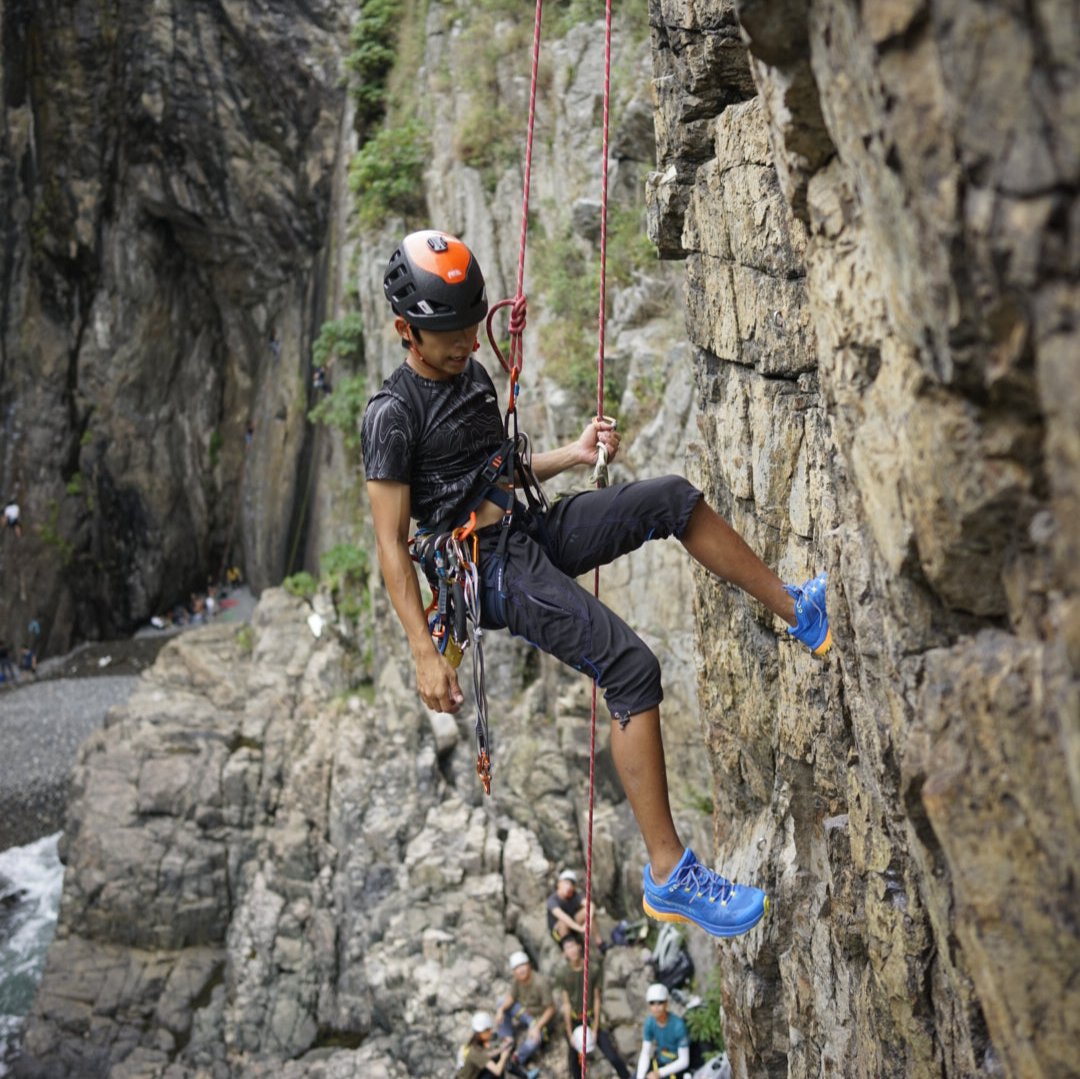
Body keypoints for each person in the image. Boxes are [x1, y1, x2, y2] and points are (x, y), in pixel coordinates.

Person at [361, 229, 831, 938]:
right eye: (448, 334)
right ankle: (670, 873)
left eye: (468, 328)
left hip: (523, 530)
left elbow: (498, 473)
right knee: (631, 667)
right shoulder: (391, 417)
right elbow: (391, 549)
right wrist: (424, 654)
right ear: (406, 329)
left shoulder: (472, 376)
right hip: (487, 573)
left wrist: (572, 456)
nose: (465, 344)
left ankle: (798, 610)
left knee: (670, 498)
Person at [554, 934, 630, 1079]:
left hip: (591, 1017)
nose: (572, 951)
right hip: (575, 1019)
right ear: (564, 953)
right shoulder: (563, 974)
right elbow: (566, 1004)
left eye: (573, 946)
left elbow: (596, 999)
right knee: (574, 1062)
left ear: (579, 947)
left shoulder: (592, 969)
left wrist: (595, 1029)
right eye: (567, 948)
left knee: (612, 1055)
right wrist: (570, 1034)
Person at [493, 950, 553, 1076]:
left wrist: (537, 1027)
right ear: (514, 971)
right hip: (525, 1012)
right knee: (501, 1003)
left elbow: (551, 1009)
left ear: (529, 965)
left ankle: (517, 1058)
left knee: (534, 1040)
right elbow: (511, 997)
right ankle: (507, 1038)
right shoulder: (517, 981)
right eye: (517, 968)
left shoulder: (540, 983)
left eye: (523, 965)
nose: (521, 970)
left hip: (538, 1017)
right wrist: (501, 1010)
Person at [635, 983, 690, 1079]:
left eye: (660, 1002)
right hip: (660, 1061)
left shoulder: (678, 1025)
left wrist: (659, 1073)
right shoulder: (649, 1023)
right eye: (652, 1003)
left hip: (675, 1065)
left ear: (666, 1003)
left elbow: (684, 1061)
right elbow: (645, 1053)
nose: (656, 1007)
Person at [546, 869, 599, 946]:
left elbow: (591, 905)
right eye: (566, 883)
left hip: (573, 924)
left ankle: (600, 943)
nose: (569, 887)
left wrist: (588, 923)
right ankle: (568, 946)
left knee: (587, 912)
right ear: (559, 884)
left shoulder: (575, 895)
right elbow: (563, 917)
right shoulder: (552, 900)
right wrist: (580, 929)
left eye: (572, 884)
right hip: (558, 932)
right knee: (562, 923)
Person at [458, 1012, 516, 1078]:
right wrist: (504, 1056)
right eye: (488, 1030)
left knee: (495, 1059)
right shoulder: (476, 1052)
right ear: (481, 1033)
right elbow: (497, 1071)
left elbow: (487, 1055)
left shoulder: (475, 1045)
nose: (490, 1032)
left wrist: (502, 1048)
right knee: (496, 1064)